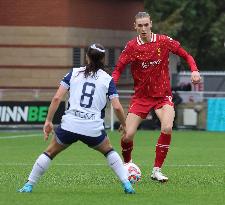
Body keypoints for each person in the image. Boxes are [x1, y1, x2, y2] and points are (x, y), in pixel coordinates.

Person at [18, 43, 135, 194]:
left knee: (49, 152)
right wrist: (125, 125)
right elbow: (118, 107)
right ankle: (127, 184)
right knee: (109, 151)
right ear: (103, 59)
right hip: (93, 128)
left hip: (70, 125)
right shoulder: (107, 79)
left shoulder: (73, 73)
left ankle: (29, 185)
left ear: (87, 57)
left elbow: (56, 98)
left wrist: (48, 121)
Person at [112, 11, 201, 182]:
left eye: (146, 25)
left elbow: (186, 55)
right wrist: (110, 84)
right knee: (128, 135)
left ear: (151, 24)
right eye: (140, 26)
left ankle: (157, 170)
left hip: (163, 96)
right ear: (135, 27)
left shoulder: (163, 41)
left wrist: (194, 70)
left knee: (167, 127)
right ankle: (128, 165)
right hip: (141, 98)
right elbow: (118, 69)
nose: (143, 28)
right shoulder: (131, 47)